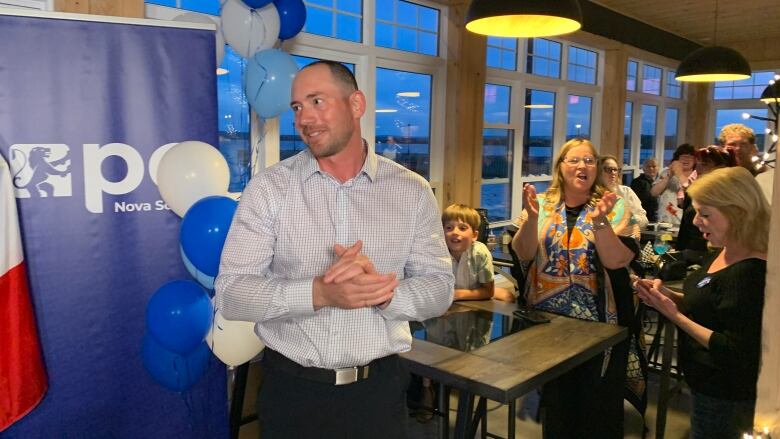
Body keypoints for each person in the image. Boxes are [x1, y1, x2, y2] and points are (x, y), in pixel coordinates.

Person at [214, 61, 454, 438]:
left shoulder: (412, 191)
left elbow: (439, 289)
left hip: (379, 395)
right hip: (292, 394)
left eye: (317, 101)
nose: (305, 118)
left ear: (356, 104)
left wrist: (380, 293)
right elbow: (232, 295)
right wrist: (320, 293)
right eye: (297, 107)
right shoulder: (268, 190)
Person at [511, 138, 645, 438]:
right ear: (560, 167)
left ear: (597, 168)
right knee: (558, 408)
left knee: (598, 410)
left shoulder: (613, 205)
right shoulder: (542, 204)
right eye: (574, 160)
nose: (582, 166)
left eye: (589, 160)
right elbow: (523, 253)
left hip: (601, 329)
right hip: (548, 327)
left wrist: (599, 223)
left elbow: (618, 260)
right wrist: (532, 219)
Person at [635, 166, 769, 439]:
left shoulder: (751, 272)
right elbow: (711, 304)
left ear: (738, 213)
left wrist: (675, 316)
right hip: (706, 387)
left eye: (705, 214)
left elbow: (735, 350)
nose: (696, 222)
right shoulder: (726, 251)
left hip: (727, 397)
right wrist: (668, 298)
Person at [676, 145, 737, 253]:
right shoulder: (694, 191)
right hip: (687, 253)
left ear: (722, 168)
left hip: (710, 254)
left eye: (705, 164)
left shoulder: (726, 198)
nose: (698, 169)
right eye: (698, 163)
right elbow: (684, 230)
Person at [442, 203, 496, 301]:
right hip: (446, 303)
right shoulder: (437, 253)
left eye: (462, 228)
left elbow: (489, 291)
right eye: (449, 228)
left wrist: (457, 294)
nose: (455, 232)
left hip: (473, 299)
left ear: (474, 235)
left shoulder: (479, 253)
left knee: (507, 296)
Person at [652, 143, 697, 225]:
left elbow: (691, 192)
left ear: (695, 161)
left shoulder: (697, 175)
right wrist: (669, 176)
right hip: (665, 222)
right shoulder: (666, 173)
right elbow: (654, 192)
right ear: (677, 159)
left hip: (687, 222)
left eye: (690, 157)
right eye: (683, 157)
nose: (686, 160)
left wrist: (679, 174)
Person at [599, 154, 648, 230]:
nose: (613, 173)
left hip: (625, 238)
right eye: (608, 169)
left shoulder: (626, 192)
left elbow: (644, 220)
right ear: (599, 172)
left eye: (615, 170)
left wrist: (626, 220)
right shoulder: (592, 193)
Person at [630, 157, 659, 223]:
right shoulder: (637, 182)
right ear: (643, 168)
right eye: (648, 166)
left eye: (654, 166)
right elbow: (634, 204)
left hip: (661, 218)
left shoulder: (662, 181)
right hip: (645, 218)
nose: (651, 168)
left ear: (658, 168)